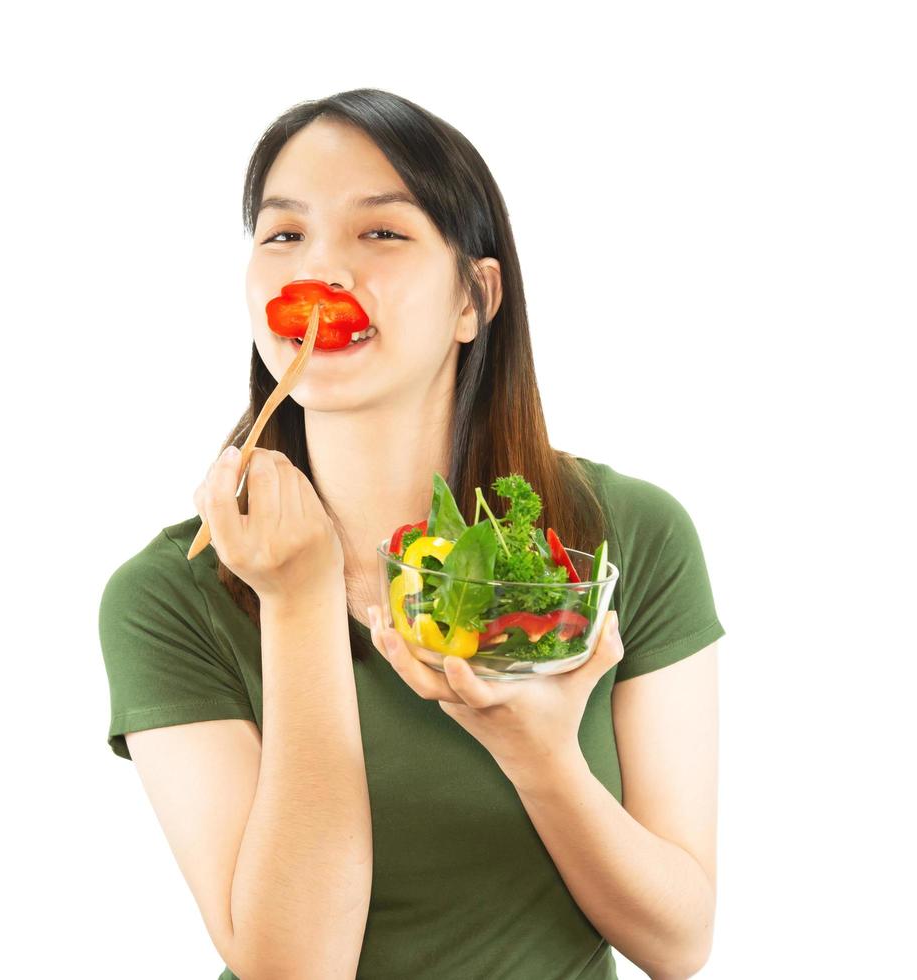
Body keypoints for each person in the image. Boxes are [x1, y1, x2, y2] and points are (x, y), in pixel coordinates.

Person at [98, 88, 723, 979]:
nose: (320, 273)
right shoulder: (166, 596)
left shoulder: (628, 538)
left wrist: (541, 759)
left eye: (380, 234)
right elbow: (293, 969)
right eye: (284, 236)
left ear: (475, 296)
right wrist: (301, 599)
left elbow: (679, 941)